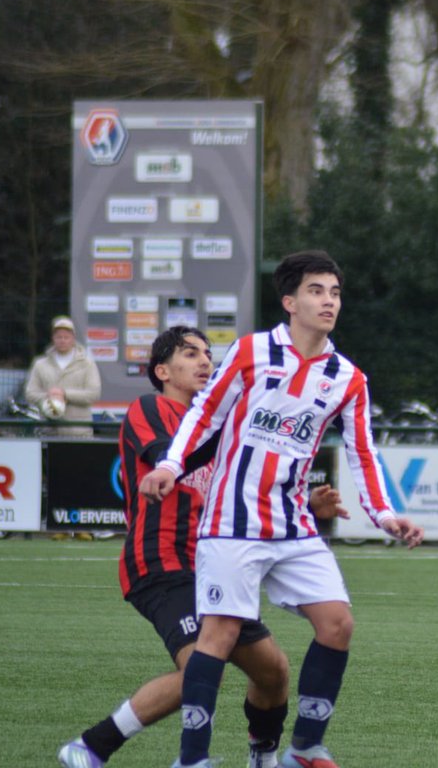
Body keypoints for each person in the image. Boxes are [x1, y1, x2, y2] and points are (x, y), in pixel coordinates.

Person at [139, 252, 425, 768]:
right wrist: (171, 464)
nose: (329, 301)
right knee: (220, 633)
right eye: (317, 291)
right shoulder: (250, 353)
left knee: (337, 623)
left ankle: (305, 748)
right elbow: (204, 413)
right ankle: (192, 759)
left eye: (335, 292)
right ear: (290, 302)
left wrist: (385, 515)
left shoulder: (347, 378)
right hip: (230, 520)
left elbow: (364, 452)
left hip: (292, 524)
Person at [58, 326, 348, 768]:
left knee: (274, 672)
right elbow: (169, 460)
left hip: (217, 565)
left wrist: (305, 501)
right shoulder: (150, 408)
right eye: (190, 354)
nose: (204, 362)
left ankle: (262, 755)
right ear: (162, 370)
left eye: (208, 355)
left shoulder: (223, 425)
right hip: (161, 562)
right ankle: (93, 745)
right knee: (198, 663)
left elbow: (246, 485)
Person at [24, 315, 102, 437]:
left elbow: (93, 394)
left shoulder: (87, 364)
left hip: (79, 432)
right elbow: (30, 393)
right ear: (53, 338)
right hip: (49, 431)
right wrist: (49, 396)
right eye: (59, 337)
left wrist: (65, 394)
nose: (62, 340)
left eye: (66, 337)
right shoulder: (40, 364)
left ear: (73, 338)